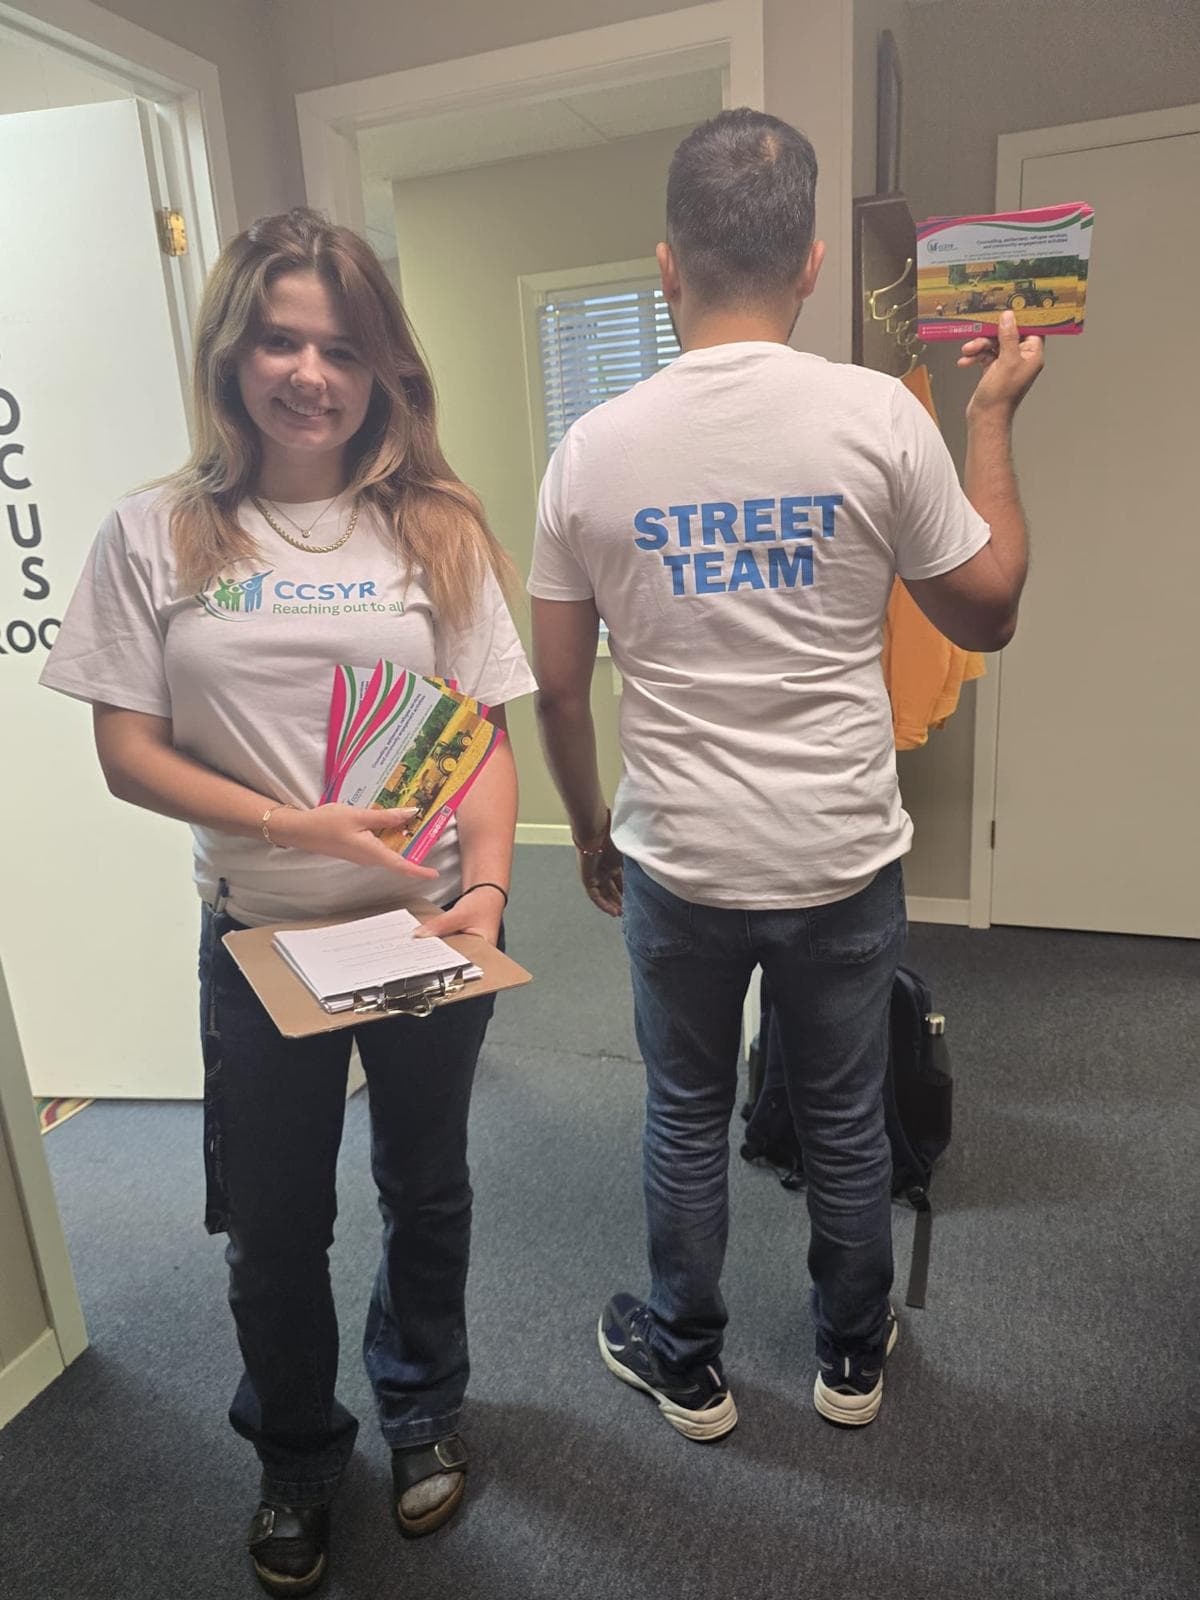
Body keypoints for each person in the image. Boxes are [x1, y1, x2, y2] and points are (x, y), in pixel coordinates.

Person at [40, 208, 536, 1594]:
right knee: (273, 1222)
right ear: (231, 350)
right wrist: (286, 820)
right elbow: (126, 752)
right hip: (263, 935)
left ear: (385, 369)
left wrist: (487, 893)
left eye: (341, 346)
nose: (308, 372)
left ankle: (424, 1409)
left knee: (427, 1188)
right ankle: (298, 1458)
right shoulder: (158, 531)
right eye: (278, 338)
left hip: (429, 926)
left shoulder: (435, 525)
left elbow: (484, 737)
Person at [528, 110, 1043, 1439]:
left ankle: (687, 1363)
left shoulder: (591, 448)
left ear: (665, 265)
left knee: (688, 1113)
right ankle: (850, 1359)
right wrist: (992, 416)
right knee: (843, 1113)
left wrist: (589, 831)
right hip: (839, 855)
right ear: (811, 264)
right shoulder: (877, 418)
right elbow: (987, 609)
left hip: (678, 857)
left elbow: (561, 685)